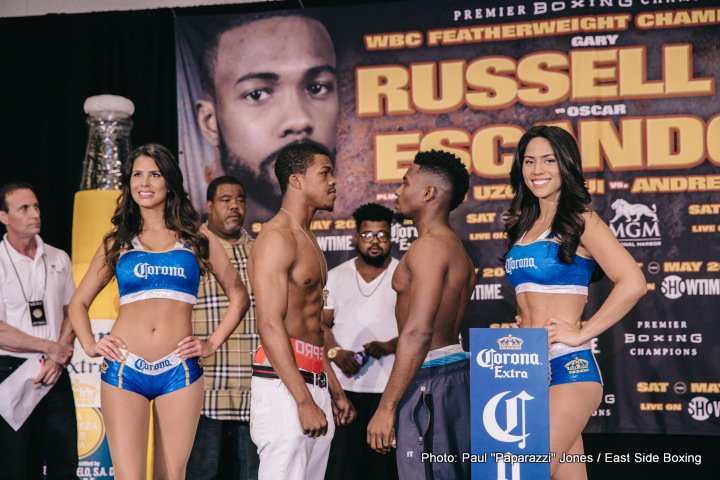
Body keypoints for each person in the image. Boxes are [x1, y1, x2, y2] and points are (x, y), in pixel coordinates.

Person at [69, 144, 249, 479]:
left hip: (179, 371)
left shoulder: (197, 238)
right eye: (137, 174)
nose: (145, 182)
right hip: (125, 370)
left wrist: (210, 343)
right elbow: (78, 303)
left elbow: (239, 295)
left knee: (172, 476)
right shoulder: (118, 242)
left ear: (169, 182)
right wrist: (91, 345)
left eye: (154, 173)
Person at [503, 126, 646, 480]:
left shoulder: (582, 221)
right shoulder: (522, 226)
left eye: (549, 161)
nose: (538, 170)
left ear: (566, 165)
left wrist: (582, 332)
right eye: (530, 161)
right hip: (525, 367)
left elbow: (633, 282)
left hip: (568, 367)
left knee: (523, 473)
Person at [248, 143, 355, 480]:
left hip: (313, 383)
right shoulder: (276, 238)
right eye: (325, 172)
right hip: (285, 390)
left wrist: (334, 390)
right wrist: (303, 401)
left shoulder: (307, 238)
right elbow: (268, 323)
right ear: (296, 180)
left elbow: (314, 329)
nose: (334, 181)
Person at [366, 150, 475, 480]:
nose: (397, 192)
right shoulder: (456, 249)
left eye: (405, 183)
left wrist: (386, 407)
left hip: (429, 381)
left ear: (429, 193)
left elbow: (419, 332)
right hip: (453, 376)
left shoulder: (428, 248)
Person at [191, 12, 339, 221]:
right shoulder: (196, 245)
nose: (298, 120)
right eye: (257, 94)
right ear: (210, 122)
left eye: (316, 88)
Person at [0, 181, 77, 479]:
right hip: (10, 371)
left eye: (36, 207)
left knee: (64, 459)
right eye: (24, 208)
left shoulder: (58, 257)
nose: (35, 213)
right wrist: (49, 347)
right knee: (15, 463)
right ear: (4, 217)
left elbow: (72, 311)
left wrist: (58, 355)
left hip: (54, 370)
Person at [186, 175, 260, 479]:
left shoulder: (260, 250)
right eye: (226, 200)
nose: (235, 206)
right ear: (209, 205)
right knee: (202, 474)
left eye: (240, 200)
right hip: (205, 389)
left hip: (253, 390)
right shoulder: (190, 249)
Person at [323, 203, 399, 480]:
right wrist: (334, 351)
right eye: (368, 235)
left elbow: (421, 332)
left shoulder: (404, 276)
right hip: (345, 393)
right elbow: (319, 325)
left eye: (382, 235)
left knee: (386, 472)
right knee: (344, 471)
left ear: (391, 238)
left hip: (390, 391)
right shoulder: (336, 275)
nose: (375, 241)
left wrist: (390, 345)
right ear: (356, 237)